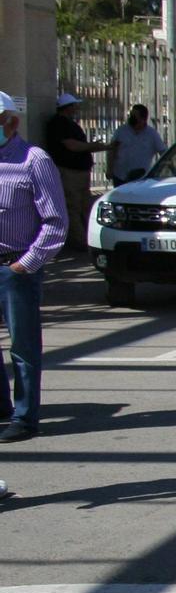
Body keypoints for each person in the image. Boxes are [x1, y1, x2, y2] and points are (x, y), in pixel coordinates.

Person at [0, 92, 67, 442]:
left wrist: (27, 263)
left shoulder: (33, 160)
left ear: (11, 122)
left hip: (15, 266)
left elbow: (55, 219)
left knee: (23, 345)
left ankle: (25, 416)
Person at [41, 92, 102, 255]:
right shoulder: (59, 124)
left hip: (79, 171)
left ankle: (88, 238)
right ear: (68, 107)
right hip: (70, 172)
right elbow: (72, 145)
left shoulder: (68, 123)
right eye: (74, 105)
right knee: (73, 206)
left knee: (84, 206)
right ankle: (80, 242)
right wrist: (91, 146)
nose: (77, 108)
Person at [108, 104, 167, 184]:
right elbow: (112, 150)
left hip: (141, 178)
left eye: (134, 116)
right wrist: (109, 169)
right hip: (120, 176)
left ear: (143, 119)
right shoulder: (121, 131)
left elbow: (163, 152)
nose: (131, 118)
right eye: (131, 115)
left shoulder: (152, 134)